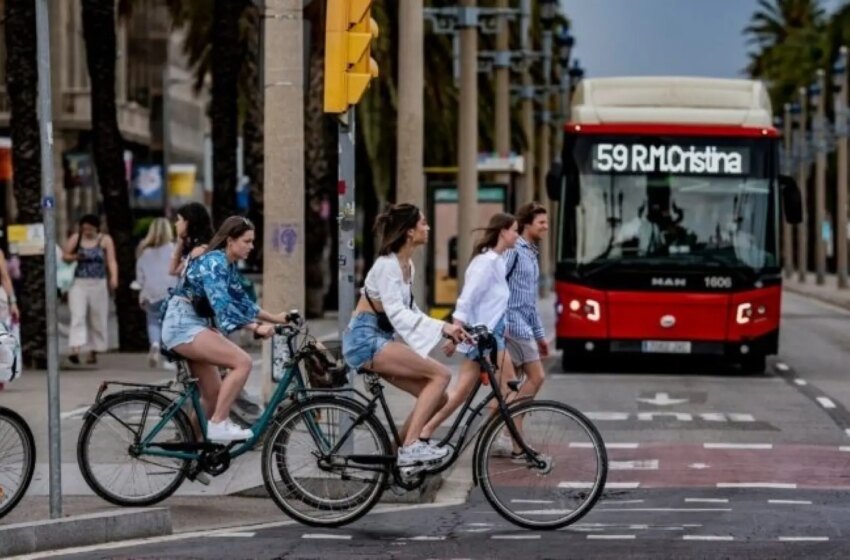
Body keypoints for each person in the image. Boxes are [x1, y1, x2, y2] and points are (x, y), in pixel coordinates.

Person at [342, 203, 468, 468]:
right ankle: (411, 447)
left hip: (379, 338)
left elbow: (412, 310)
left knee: (437, 395)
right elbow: (398, 314)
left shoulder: (405, 264)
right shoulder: (386, 265)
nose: (427, 227)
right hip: (365, 339)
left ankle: (393, 458)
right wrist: (441, 327)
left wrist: (444, 329)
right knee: (441, 375)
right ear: (410, 232)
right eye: (423, 223)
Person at [160, 216, 290, 442]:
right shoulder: (215, 262)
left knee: (212, 395)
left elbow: (242, 301)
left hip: (192, 324)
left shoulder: (226, 265)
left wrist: (276, 318)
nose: (251, 246)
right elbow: (221, 304)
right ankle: (219, 423)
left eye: (252, 241)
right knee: (242, 362)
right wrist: (255, 328)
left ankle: (189, 450)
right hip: (183, 325)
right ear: (230, 241)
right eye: (247, 241)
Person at [420, 213, 520, 441]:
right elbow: (466, 299)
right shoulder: (485, 263)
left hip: (489, 336)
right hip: (486, 337)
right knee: (510, 389)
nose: (517, 235)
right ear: (503, 232)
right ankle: (509, 443)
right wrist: (455, 334)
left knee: (460, 394)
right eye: (514, 230)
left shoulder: (497, 261)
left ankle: (425, 431)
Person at [497, 202, 550, 455]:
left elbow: (530, 303)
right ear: (527, 224)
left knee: (508, 388)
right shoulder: (514, 251)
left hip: (523, 325)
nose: (546, 227)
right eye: (541, 222)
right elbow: (495, 280)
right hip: (511, 325)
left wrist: (540, 336)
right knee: (536, 377)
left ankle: (498, 438)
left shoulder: (530, 253)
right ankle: (515, 441)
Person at [63, 214, 118, 365]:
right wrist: (75, 257)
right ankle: (76, 348)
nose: (87, 231)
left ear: (96, 227)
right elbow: (64, 255)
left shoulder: (105, 240)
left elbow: (111, 260)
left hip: (98, 282)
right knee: (78, 315)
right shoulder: (76, 238)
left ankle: (94, 350)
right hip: (78, 283)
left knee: (97, 316)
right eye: (84, 228)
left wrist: (113, 277)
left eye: (90, 228)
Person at [136, 218, 177, 368]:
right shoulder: (174, 248)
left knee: (153, 321)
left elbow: (140, 277)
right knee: (169, 325)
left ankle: (154, 344)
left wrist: (143, 290)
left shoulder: (144, 251)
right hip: (170, 291)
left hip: (150, 292)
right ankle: (168, 358)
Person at [170, 202, 214, 277]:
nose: (176, 224)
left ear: (187, 223)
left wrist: (179, 241)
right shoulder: (194, 245)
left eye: (179, 220)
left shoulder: (199, 250)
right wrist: (180, 241)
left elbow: (174, 271)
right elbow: (172, 271)